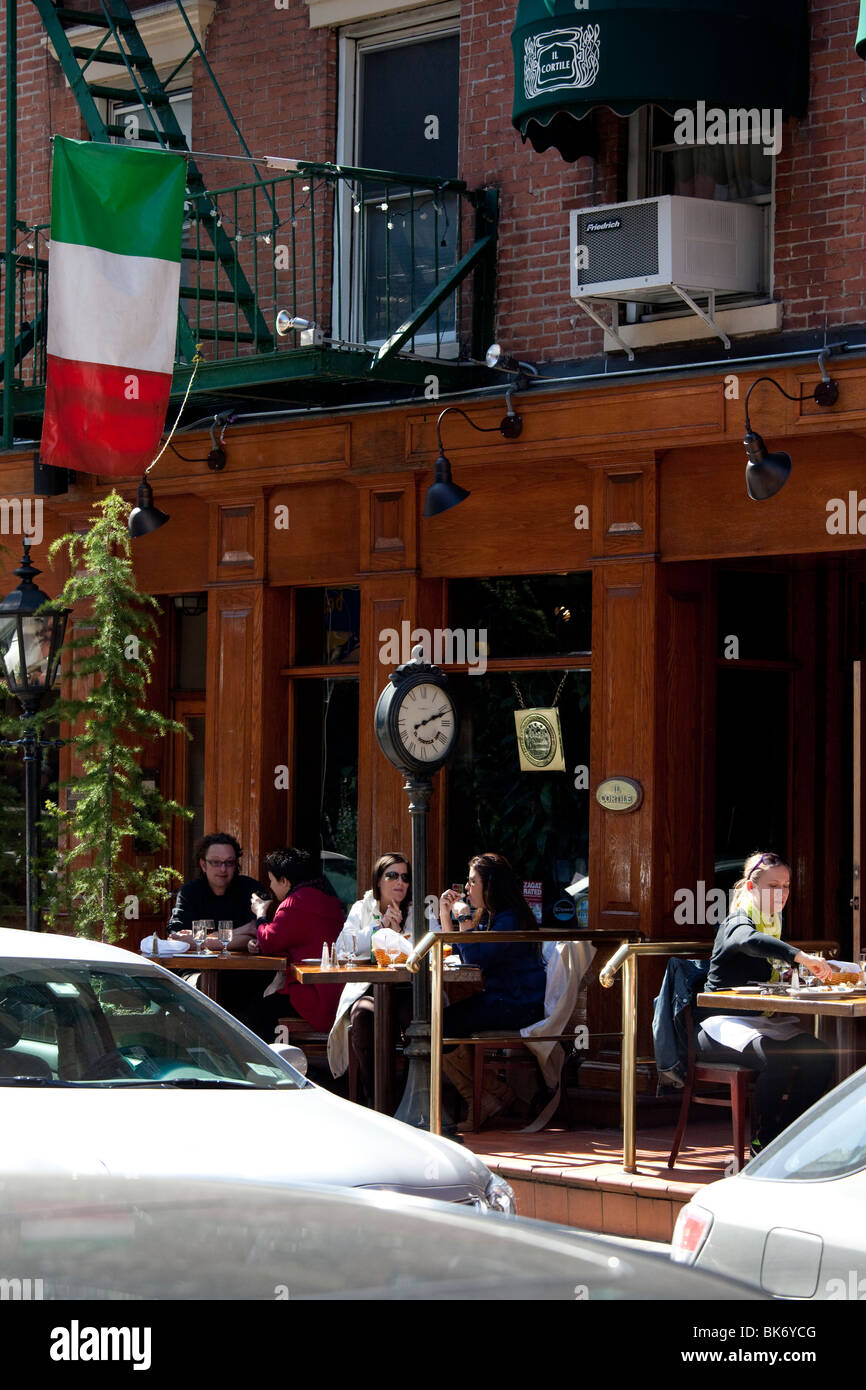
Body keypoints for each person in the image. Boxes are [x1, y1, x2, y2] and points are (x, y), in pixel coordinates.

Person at [698, 850, 835, 1158]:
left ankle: (788, 1133)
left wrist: (791, 972)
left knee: (822, 1056)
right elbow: (749, 941)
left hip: (759, 1022)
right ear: (751, 887)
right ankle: (764, 1143)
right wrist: (800, 957)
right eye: (773, 886)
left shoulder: (773, 921)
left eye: (786, 886)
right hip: (720, 1027)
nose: (782, 893)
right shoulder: (738, 920)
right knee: (779, 1059)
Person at [438, 853, 546, 1130]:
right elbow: (464, 952)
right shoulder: (497, 917)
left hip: (517, 1003)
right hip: (504, 998)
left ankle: (485, 1097)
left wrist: (462, 918)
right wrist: (446, 918)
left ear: (490, 885)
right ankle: (495, 1094)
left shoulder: (509, 920)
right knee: (444, 1022)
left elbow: (477, 959)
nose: (467, 887)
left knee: (442, 1024)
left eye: (473, 881)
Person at [327, 853, 413, 1104]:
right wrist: (379, 929)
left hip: (409, 987)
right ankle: (375, 1100)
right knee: (364, 1018)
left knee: (416, 1020)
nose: (400, 882)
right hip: (369, 987)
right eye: (392, 875)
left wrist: (398, 936)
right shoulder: (361, 908)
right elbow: (343, 948)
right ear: (378, 881)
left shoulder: (417, 909)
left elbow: (423, 949)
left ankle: (409, 1098)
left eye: (405, 877)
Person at [236, 847, 345, 1042]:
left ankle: (268, 1067)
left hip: (315, 995)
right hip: (337, 992)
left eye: (271, 880)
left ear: (284, 881)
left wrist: (260, 914)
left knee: (255, 1012)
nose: (270, 886)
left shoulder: (294, 903)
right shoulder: (328, 899)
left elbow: (270, 942)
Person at [168, 832, 265, 938]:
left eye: (229, 862)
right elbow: (176, 936)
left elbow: (253, 936)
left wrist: (199, 937)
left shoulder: (251, 889)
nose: (223, 869)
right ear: (203, 865)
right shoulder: (189, 892)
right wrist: (237, 933)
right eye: (215, 862)